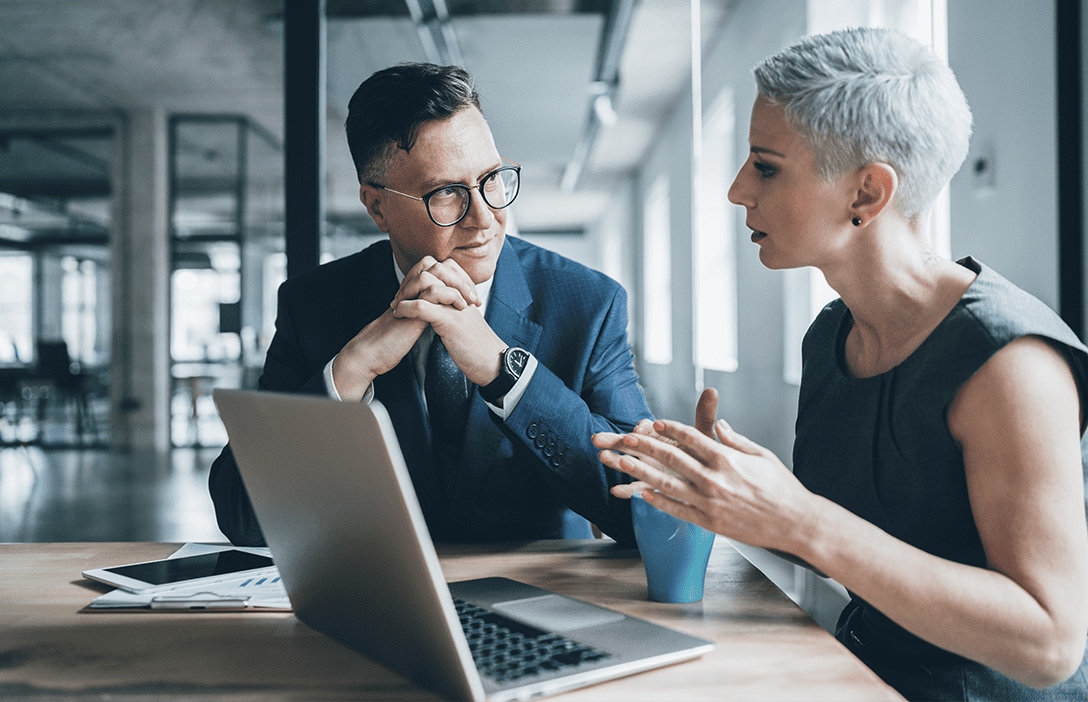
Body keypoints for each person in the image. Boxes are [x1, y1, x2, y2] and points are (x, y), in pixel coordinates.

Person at [594, 27, 1088, 701]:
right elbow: (861, 547)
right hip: (856, 675)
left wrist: (799, 518)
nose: (739, 191)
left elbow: (1051, 644)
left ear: (865, 195)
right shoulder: (831, 337)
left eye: (766, 167)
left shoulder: (1011, 366)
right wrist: (725, 490)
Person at [211, 62, 649, 547]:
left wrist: (508, 375)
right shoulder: (312, 306)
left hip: (542, 597)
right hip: (379, 601)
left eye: (492, 178)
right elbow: (241, 515)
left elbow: (642, 508)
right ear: (377, 207)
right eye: (446, 193)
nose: (485, 218)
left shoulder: (588, 304)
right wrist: (352, 369)